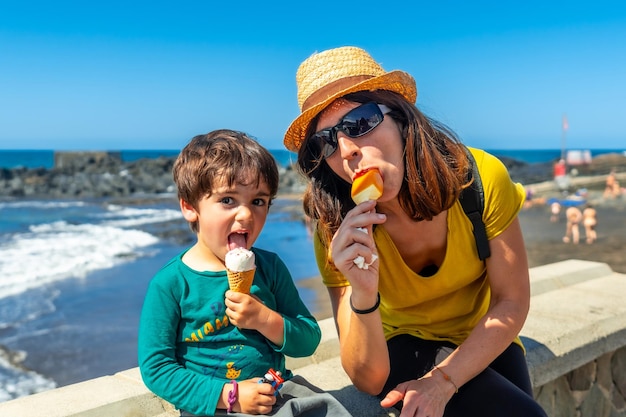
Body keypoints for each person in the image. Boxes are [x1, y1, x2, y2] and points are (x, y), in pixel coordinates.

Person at [283, 46, 547, 417]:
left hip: (483, 331)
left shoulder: (481, 179)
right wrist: (361, 289)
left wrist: (442, 381)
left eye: (359, 123)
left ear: (402, 119)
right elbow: (369, 379)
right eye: (324, 142)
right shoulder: (336, 228)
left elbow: (511, 301)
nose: (346, 151)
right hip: (399, 342)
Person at [138, 130, 351, 416]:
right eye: (228, 200)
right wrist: (230, 396)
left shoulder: (270, 267)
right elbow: (157, 368)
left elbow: (309, 339)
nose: (246, 215)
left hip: (275, 392)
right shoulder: (171, 283)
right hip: (211, 404)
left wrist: (265, 320)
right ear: (190, 207)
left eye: (258, 201)